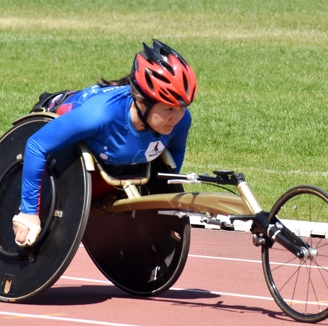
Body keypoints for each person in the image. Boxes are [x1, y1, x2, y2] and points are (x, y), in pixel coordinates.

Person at [12, 40, 197, 247]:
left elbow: (173, 157)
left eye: (182, 107)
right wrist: (28, 213)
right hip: (64, 129)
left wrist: (166, 211)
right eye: (169, 109)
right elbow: (36, 145)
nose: (177, 116)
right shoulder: (99, 116)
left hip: (110, 161)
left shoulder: (181, 121)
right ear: (142, 102)